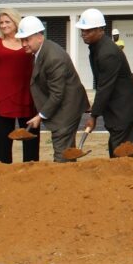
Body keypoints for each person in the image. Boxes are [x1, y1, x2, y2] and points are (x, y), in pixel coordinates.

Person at [16, 16, 90, 162]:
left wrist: (40, 116)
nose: (23, 44)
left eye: (27, 39)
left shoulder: (53, 58)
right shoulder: (39, 52)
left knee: (62, 151)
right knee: (65, 149)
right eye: (21, 40)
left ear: (39, 36)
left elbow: (57, 94)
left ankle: (64, 179)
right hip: (63, 104)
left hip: (67, 108)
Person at [77, 8, 133, 158]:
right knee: (116, 148)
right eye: (82, 30)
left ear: (100, 30)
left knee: (120, 151)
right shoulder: (97, 48)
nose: (83, 34)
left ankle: (124, 180)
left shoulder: (107, 53)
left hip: (124, 108)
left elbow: (105, 87)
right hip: (118, 108)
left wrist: (94, 116)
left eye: (88, 30)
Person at [0, 8, 39, 163]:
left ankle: (31, 177)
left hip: (27, 99)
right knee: (2, 148)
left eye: (7, 21)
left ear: (16, 22)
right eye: (1, 22)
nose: (4, 25)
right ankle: (2, 178)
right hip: (1, 102)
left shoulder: (27, 42)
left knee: (31, 145)